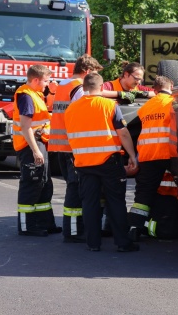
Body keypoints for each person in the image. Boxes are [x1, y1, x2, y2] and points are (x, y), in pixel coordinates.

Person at [64, 72, 139, 252]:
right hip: (108, 162)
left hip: (83, 162)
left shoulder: (71, 109)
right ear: (102, 86)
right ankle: (122, 242)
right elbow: (123, 133)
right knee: (116, 201)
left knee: (89, 203)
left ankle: (93, 243)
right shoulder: (108, 105)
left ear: (84, 87)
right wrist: (132, 156)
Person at [48, 55, 103, 243]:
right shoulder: (79, 88)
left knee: (72, 185)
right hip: (74, 146)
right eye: (94, 73)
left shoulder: (63, 85)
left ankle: (72, 229)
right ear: (87, 70)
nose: (94, 78)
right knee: (75, 187)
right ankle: (72, 231)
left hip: (60, 144)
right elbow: (87, 112)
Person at [127, 76, 178, 241]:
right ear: (171, 86)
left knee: (143, 195)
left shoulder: (145, 107)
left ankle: (134, 229)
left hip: (148, 155)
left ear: (154, 90)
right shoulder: (174, 102)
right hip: (170, 153)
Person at [13, 64, 61, 237]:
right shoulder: (26, 96)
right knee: (31, 184)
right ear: (35, 80)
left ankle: (45, 223)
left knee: (44, 183)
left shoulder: (35, 93)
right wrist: (35, 150)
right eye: (46, 81)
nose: (47, 84)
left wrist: (53, 92)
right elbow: (26, 127)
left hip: (39, 142)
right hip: (30, 145)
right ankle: (27, 226)